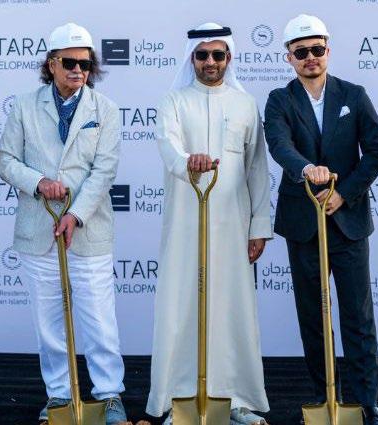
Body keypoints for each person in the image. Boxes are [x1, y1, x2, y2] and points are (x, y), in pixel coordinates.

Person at [0, 22, 128, 425]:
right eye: (69, 63)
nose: (78, 70)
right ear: (51, 64)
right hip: (38, 230)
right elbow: (5, 161)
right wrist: (39, 182)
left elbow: (104, 171)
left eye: (85, 64)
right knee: (49, 323)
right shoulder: (24, 106)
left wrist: (75, 213)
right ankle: (59, 396)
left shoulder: (105, 109)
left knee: (99, 320)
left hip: (88, 231)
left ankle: (109, 395)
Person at [264, 14, 378, 425]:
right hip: (303, 224)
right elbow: (279, 145)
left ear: (328, 51)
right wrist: (307, 170)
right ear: (289, 57)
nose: (310, 57)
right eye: (301, 51)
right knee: (314, 319)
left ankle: (367, 403)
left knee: (358, 317)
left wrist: (342, 193)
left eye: (317, 49)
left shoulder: (354, 94)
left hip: (347, 223)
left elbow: (377, 151)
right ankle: (325, 399)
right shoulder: (279, 100)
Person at [145, 22, 273, 425]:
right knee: (181, 306)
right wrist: (189, 162)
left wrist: (259, 226)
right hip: (186, 221)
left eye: (218, 55)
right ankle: (178, 400)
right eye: (202, 55)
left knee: (232, 308)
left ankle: (234, 400)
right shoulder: (174, 101)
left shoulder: (245, 104)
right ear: (192, 59)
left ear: (228, 57)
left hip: (234, 224)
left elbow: (257, 168)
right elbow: (168, 146)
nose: (210, 62)